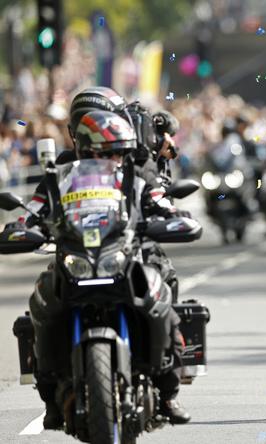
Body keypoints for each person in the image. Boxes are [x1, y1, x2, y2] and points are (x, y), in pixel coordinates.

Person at [7, 110, 191, 428]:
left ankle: (167, 394)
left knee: (162, 300)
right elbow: (35, 209)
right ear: (86, 149)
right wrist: (21, 226)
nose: (114, 157)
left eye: (119, 150)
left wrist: (175, 217)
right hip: (75, 255)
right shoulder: (61, 175)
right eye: (108, 150)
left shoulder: (135, 174)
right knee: (42, 300)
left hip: (121, 254)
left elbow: (162, 202)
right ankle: (51, 397)